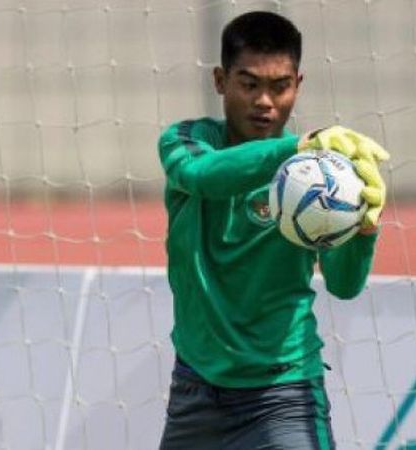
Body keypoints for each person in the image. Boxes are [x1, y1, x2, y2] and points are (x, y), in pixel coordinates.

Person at [157, 10, 390, 450]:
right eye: (249, 84)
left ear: (298, 86)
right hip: (196, 393)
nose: (265, 101)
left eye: (280, 86)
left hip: (283, 395)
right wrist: (297, 146)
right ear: (220, 80)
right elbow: (204, 176)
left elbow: (343, 286)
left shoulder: (322, 179)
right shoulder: (186, 141)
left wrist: (364, 228)